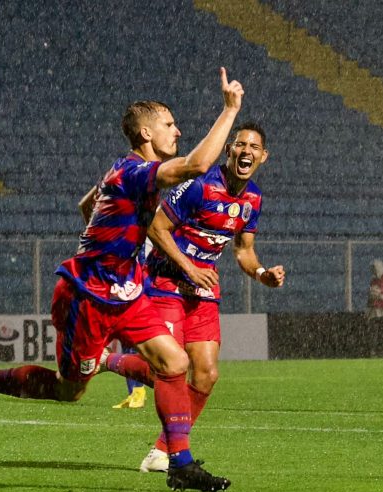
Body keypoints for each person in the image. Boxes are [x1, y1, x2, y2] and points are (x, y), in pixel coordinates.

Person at [0, 67, 244, 492]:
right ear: (146, 133)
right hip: (86, 297)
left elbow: (88, 202)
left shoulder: (126, 174)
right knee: (70, 390)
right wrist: (229, 109)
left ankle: (179, 464)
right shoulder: (135, 171)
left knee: (175, 363)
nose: (178, 131)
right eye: (169, 124)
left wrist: (109, 240)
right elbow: (199, 164)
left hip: (125, 292)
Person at [103, 121, 286, 473]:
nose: (245, 151)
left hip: (202, 290)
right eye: (240, 144)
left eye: (253, 147)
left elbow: (244, 251)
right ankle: (106, 361)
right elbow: (156, 228)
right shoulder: (199, 186)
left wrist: (262, 273)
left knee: (206, 374)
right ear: (230, 150)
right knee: (168, 371)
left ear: (264, 157)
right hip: (165, 282)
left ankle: (160, 452)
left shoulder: (253, 199)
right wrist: (188, 267)